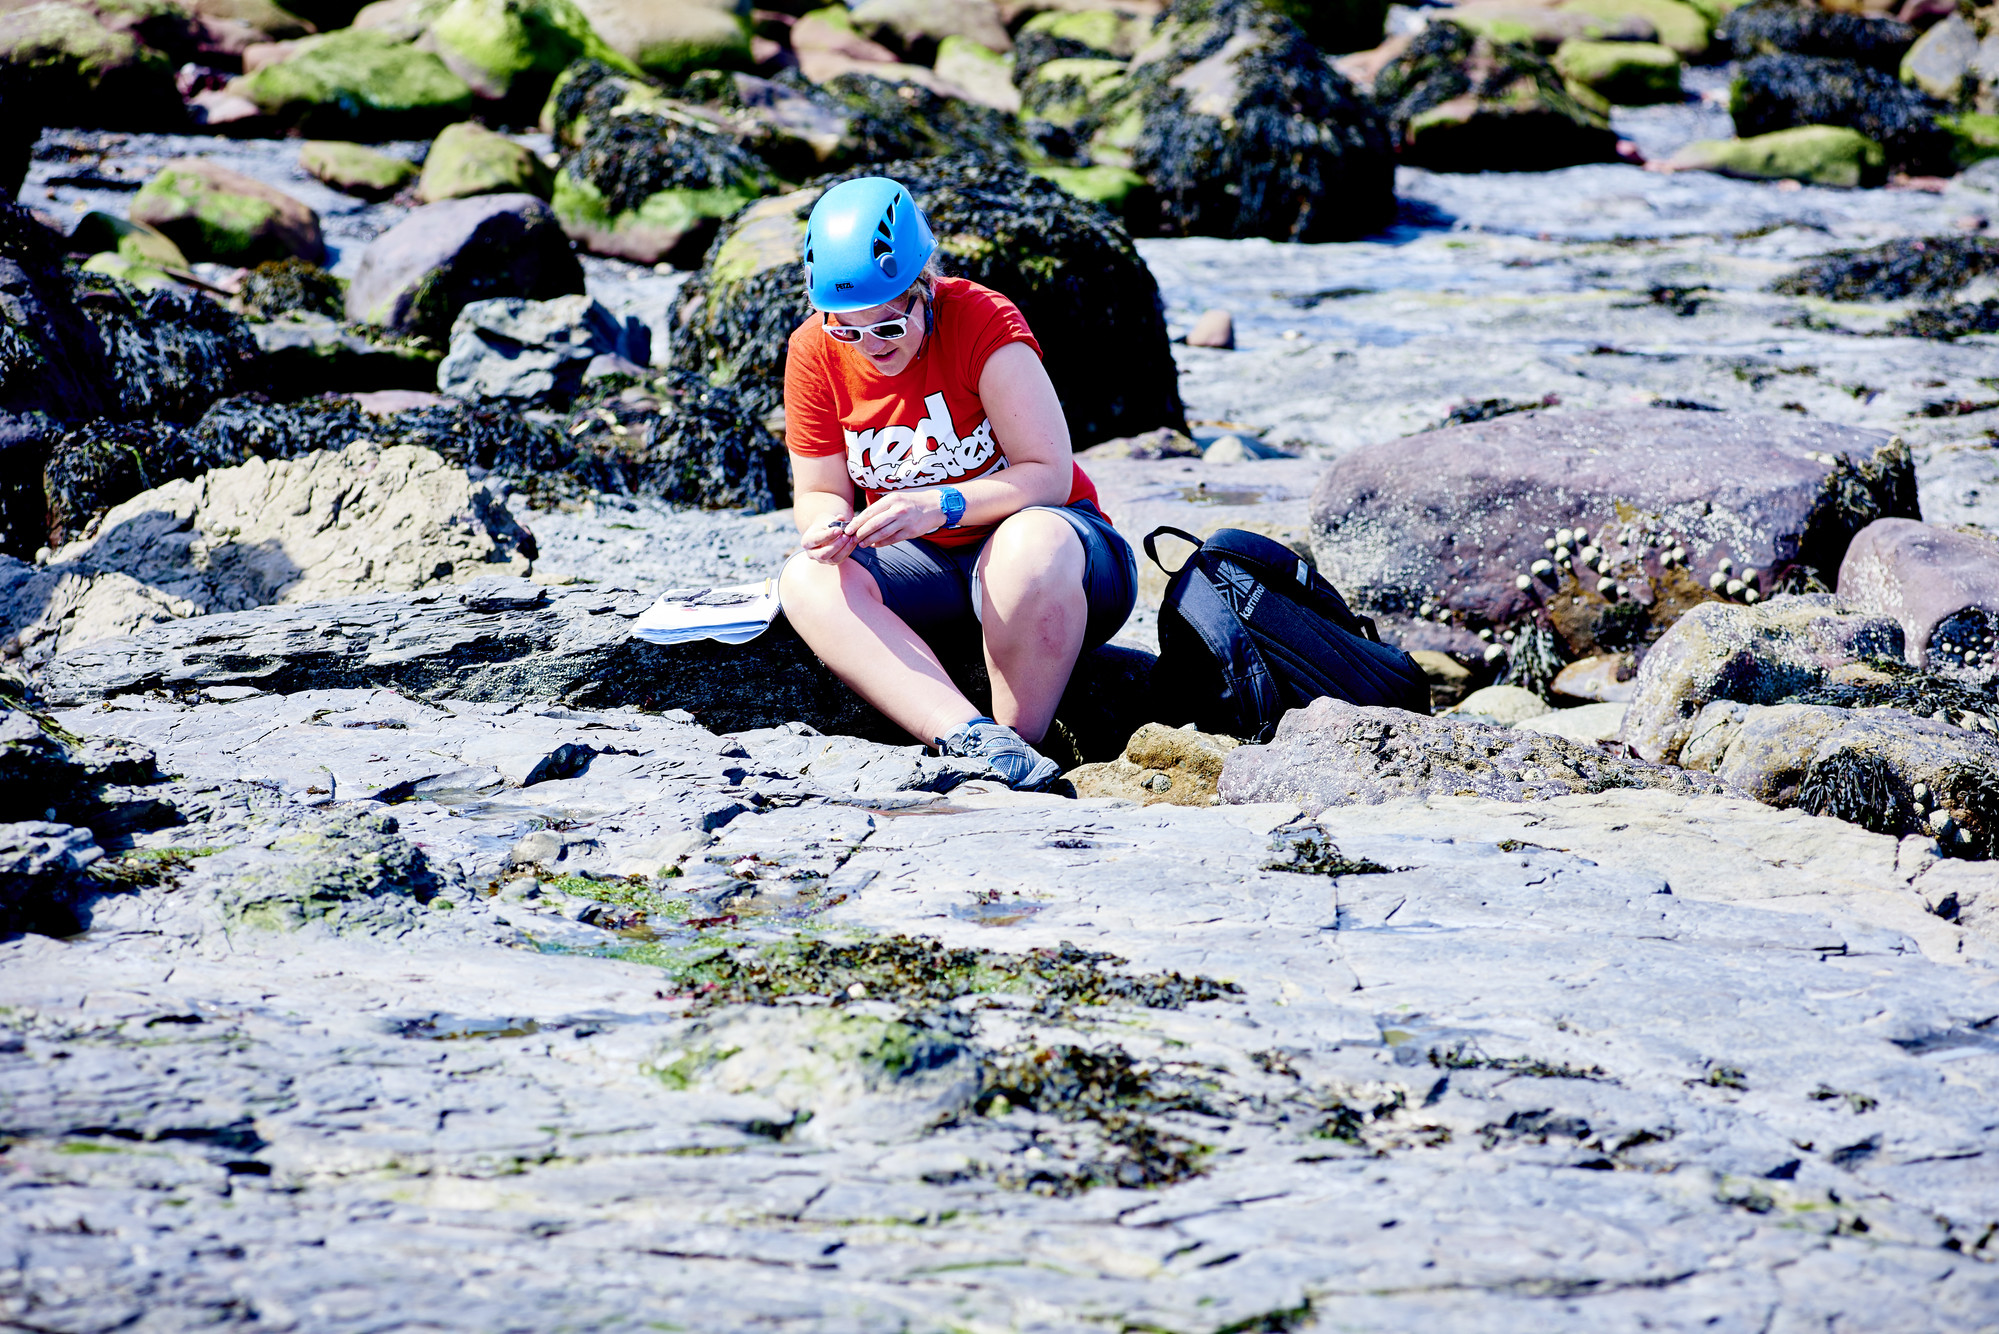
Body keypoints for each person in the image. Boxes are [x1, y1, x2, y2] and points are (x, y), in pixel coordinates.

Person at [777, 175, 1137, 790]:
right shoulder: (812, 350)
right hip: (931, 575)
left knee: (1029, 545)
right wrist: (827, 527)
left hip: (1059, 560)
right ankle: (977, 744)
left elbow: (1047, 476)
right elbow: (816, 489)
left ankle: (1025, 742)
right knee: (806, 579)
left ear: (925, 291)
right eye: (846, 329)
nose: (868, 347)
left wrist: (942, 504)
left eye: (888, 327)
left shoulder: (981, 322)